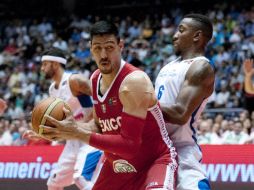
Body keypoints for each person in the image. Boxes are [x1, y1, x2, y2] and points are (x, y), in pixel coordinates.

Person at [40, 21, 177, 190]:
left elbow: (129, 146)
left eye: (109, 47)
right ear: (90, 48)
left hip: (153, 161)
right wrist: (66, 128)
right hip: (119, 164)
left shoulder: (134, 81)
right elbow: (98, 125)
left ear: (121, 46)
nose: (103, 55)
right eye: (97, 48)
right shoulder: (95, 79)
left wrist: (77, 132)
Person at [24, 47, 102, 190]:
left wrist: (96, 119)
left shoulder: (74, 80)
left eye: (44, 64)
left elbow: (101, 96)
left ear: (55, 64)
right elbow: (59, 126)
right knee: (53, 184)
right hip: (72, 142)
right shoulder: (53, 89)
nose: (42, 69)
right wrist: (40, 134)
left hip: (89, 137)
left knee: (82, 179)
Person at [155, 14, 215, 190]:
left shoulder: (201, 67)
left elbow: (180, 114)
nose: (175, 35)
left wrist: (143, 103)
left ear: (197, 36)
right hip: (156, 148)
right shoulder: (168, 66)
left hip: (182, 149)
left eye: (181, 30)